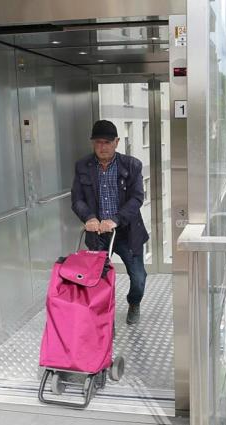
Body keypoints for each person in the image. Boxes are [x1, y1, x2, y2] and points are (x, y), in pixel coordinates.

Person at [71, 120, 148, 325]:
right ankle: (104, 316)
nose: (102, 147)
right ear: (92, 143)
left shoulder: (131, 165)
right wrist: (89, 217)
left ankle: (134, 303)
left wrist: (115, 220)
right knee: (98, 280)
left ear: (117, 142)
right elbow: (77, 199)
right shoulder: (83, 166)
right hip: (98, 235)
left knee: (139, 278)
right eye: (97, 142)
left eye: (107, 142)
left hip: (127, 232)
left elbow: (137, 198)